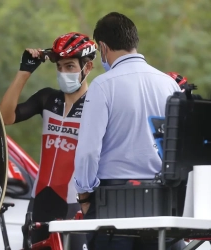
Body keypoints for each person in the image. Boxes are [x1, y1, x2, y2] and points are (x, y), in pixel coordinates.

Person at [73, 12, 183, 250]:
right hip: (162, 202)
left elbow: (88, 152)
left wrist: (84, 196)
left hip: (114, 203)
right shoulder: (169, 84)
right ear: (133, 42)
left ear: (103, 47)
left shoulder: (103, 85)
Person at [0, 32, 96, 249]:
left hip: (74, 206)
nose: (63, 72)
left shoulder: (97, 104)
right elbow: (5, 117)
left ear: (87, 68)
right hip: (39, 202)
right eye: (59, 67)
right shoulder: (48, 98)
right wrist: (24, 72)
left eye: (69, 66)